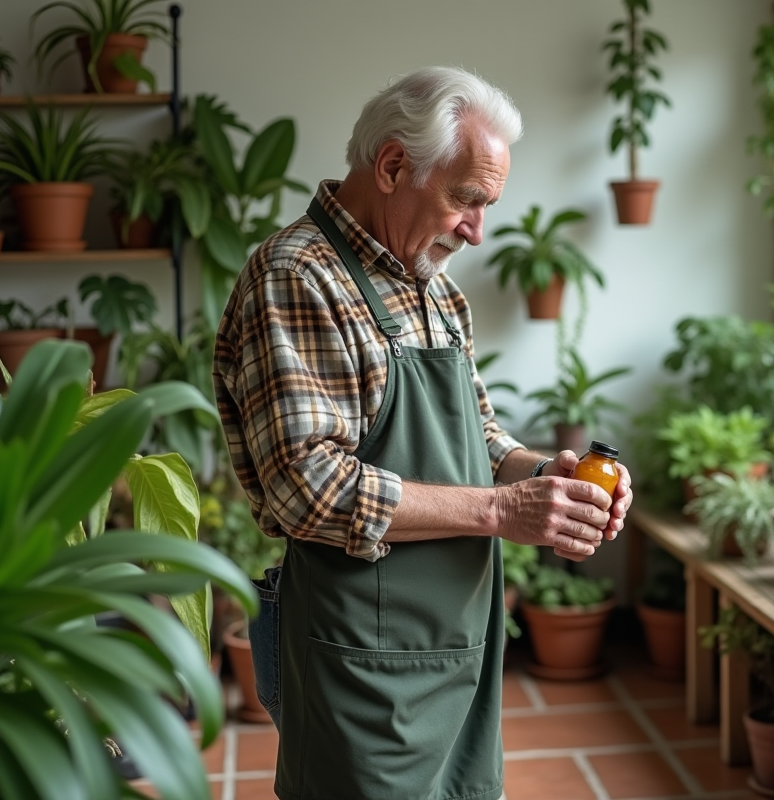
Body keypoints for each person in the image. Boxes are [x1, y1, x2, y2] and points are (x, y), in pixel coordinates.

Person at [212, 65, 633, 800]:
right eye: (466, 199)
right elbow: (306, 489)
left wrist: (546, 481)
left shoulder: (433, 288)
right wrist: (501, 513)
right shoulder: (297, 277)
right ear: (394, 165)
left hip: (457, 652)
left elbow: (481, 439)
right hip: (362, 667)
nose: (477, 230)